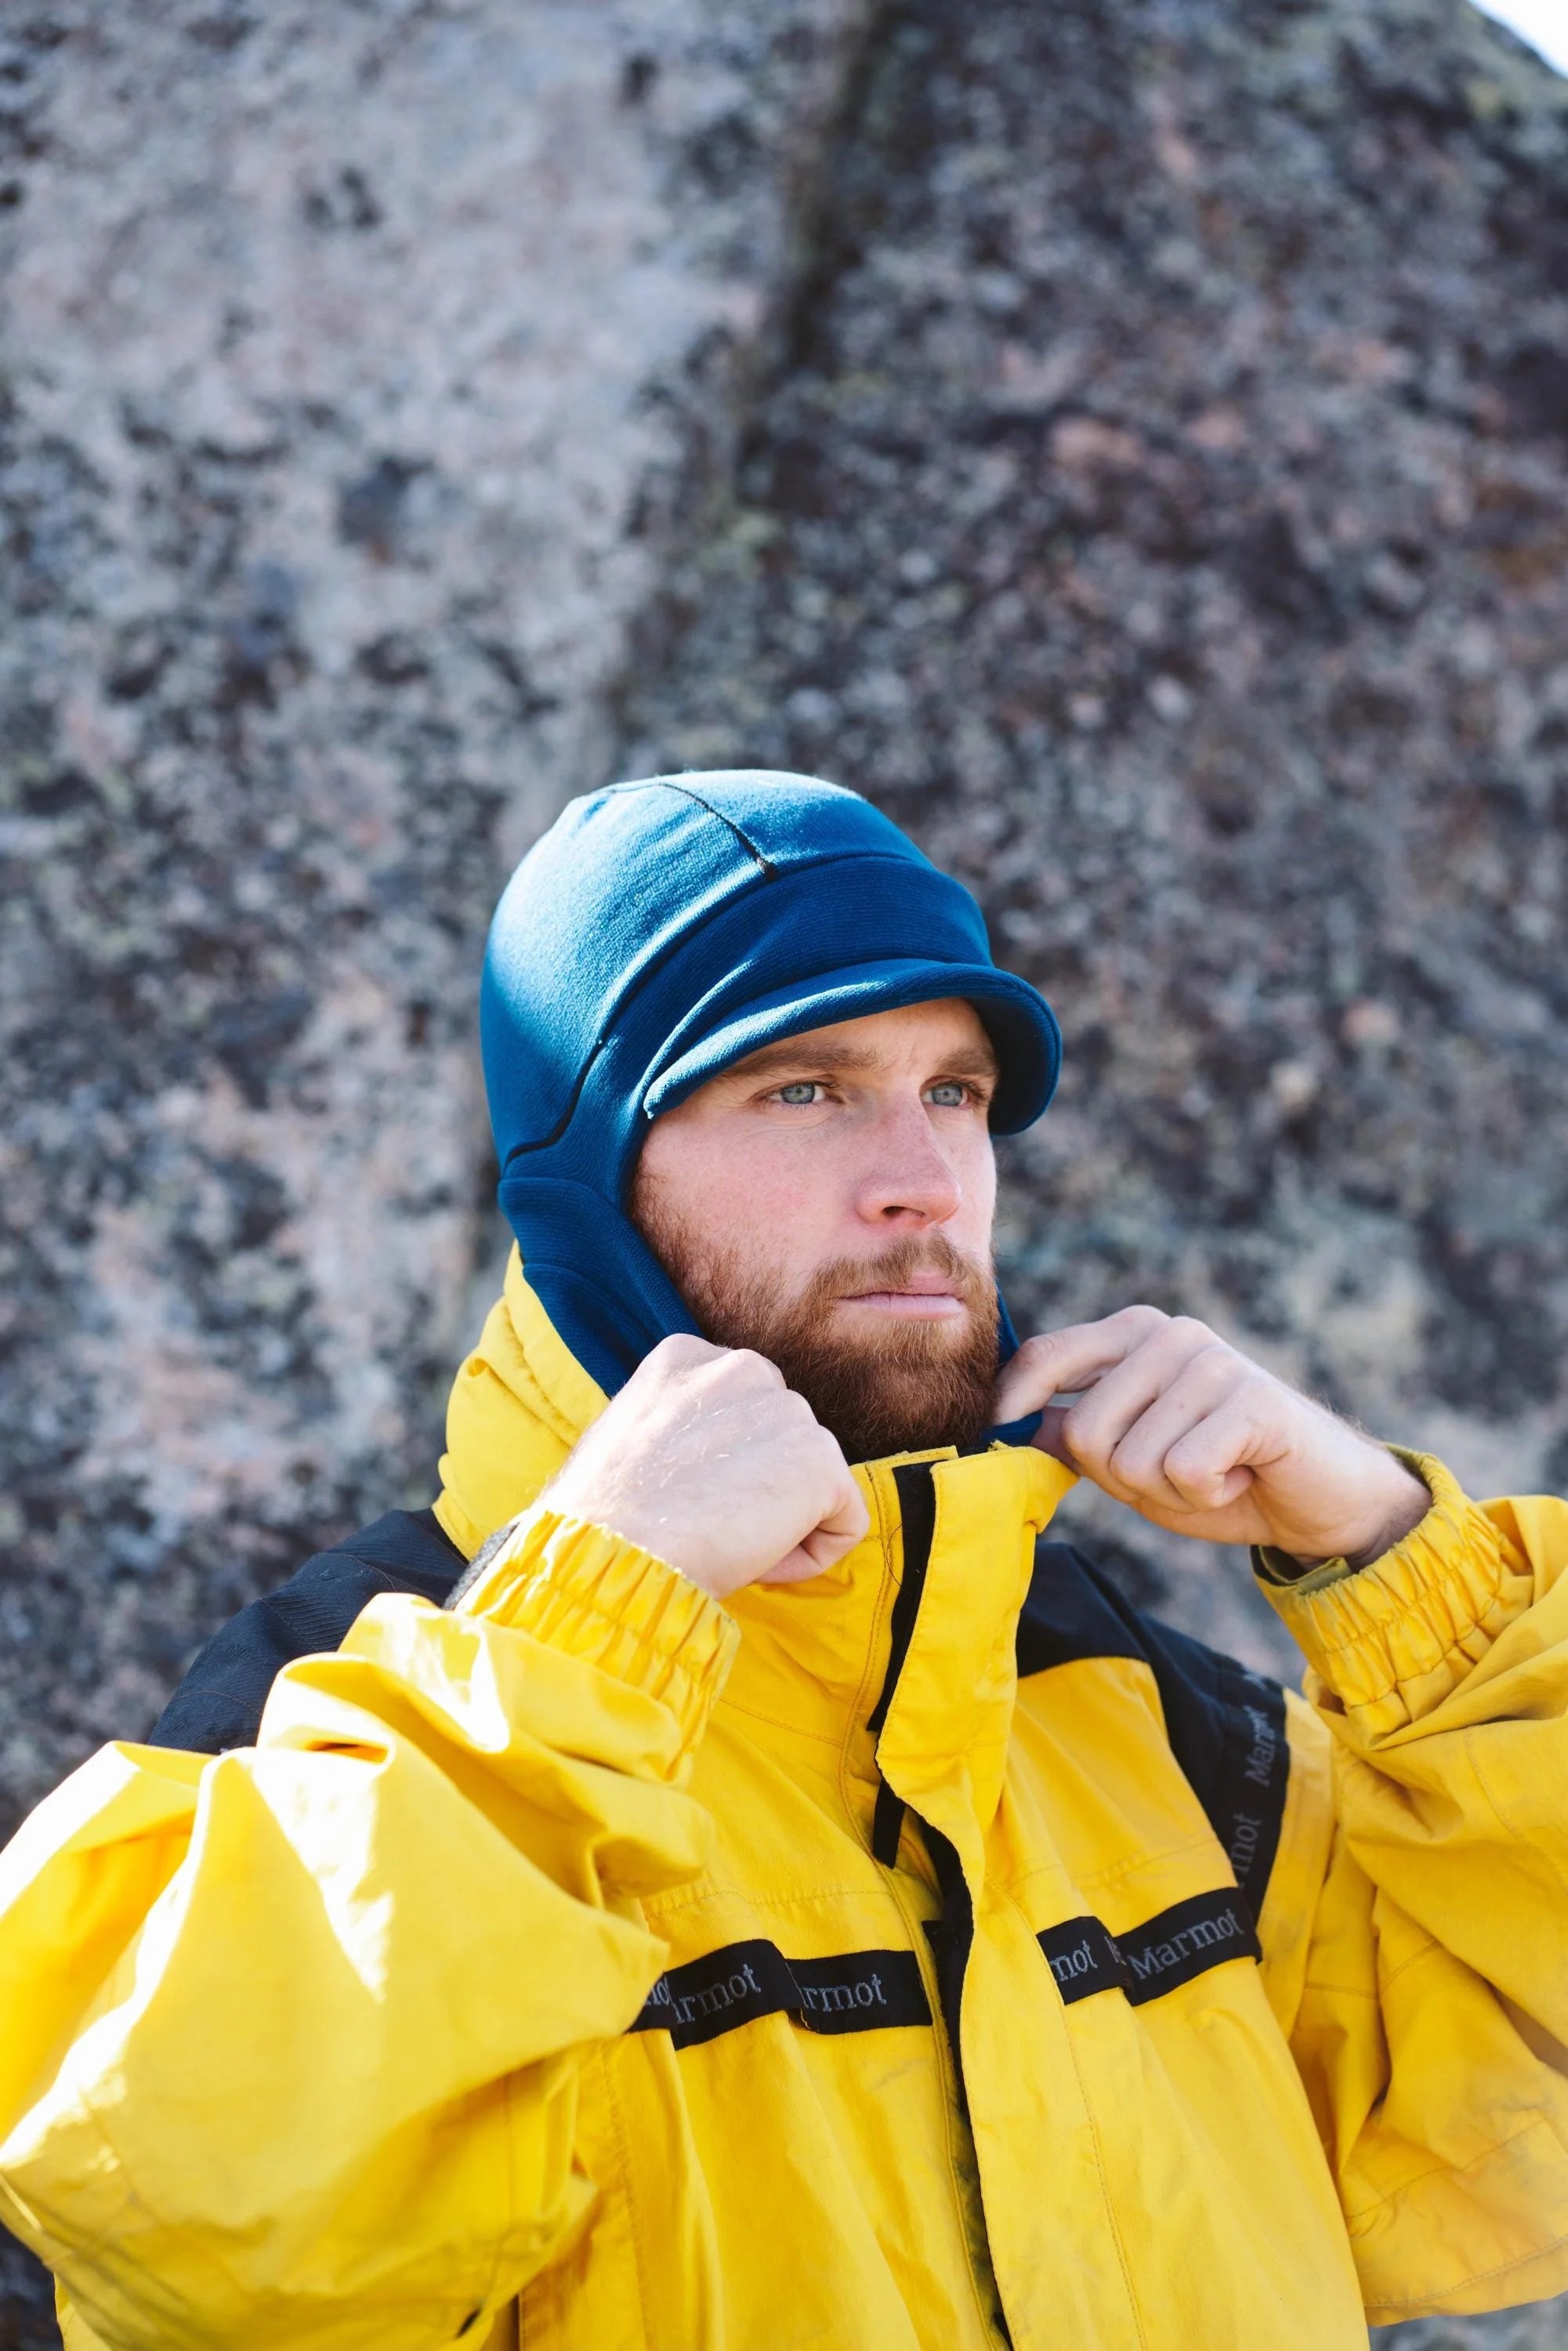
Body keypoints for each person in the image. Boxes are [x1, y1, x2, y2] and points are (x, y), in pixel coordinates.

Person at [1, 772, 1565, 2351]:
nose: (922, 1179)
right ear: (591, 1178)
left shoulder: (1113, 1706)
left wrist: (1401, 1566)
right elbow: (211, 2237)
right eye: (802, 1089)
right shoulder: (331, 1716)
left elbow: (1520, 2095)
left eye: (953, 1091)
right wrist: (593, 1621)